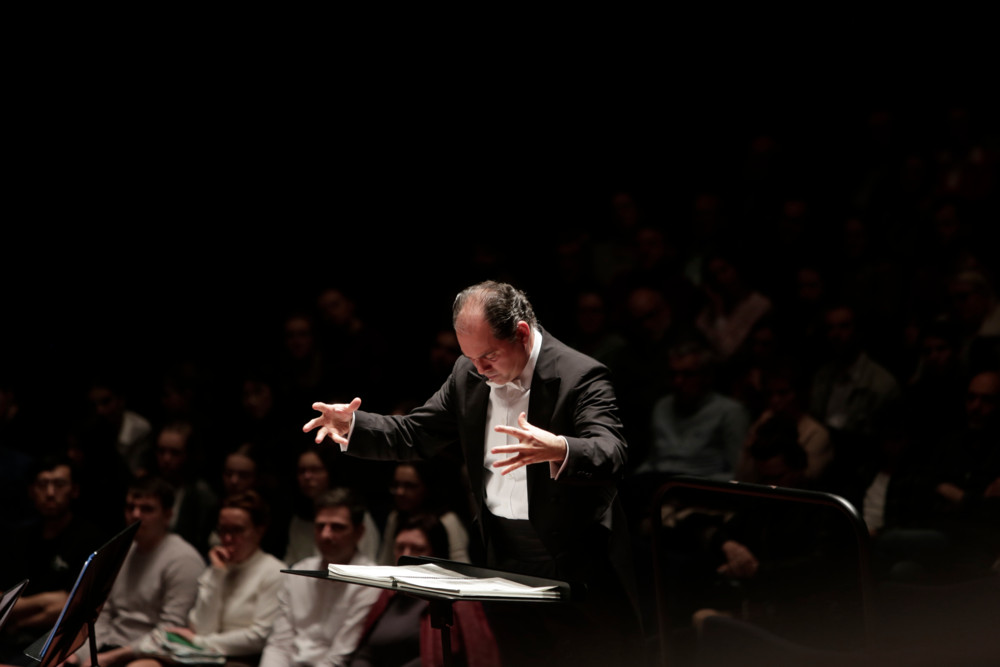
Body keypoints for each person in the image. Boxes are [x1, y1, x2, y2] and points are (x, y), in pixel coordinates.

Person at [304, 280, 638, 667]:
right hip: (504, 557)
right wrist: (354, 426)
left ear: (522, 334)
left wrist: (561, 448)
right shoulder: (469, 374)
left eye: (489, 356)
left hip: (575, 557)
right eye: (471, 357)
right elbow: (418, 433)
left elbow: (613, 452)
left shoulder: (581, 375)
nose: (479, 369)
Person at [75, 476, 204, 667]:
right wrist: (83, 655)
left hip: (150, 654)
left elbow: (170, 631)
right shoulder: (122, 551)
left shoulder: (184, 559)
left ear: (168, 515)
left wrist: (113, 657)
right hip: (107, 646)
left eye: (147, 509)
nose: (135, 514)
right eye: (130, 507)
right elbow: (101, 613)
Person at [152, 491, 285, 666]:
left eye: (237, 530)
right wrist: (218, 575)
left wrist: (201, 642)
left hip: (242, 659)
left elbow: (259, 637)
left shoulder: (274, 571)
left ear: (259, 531)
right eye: (223, 530)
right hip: (202, 655)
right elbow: (203, 628)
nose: (227, 539)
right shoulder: (217, 568)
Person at [349, 514, 499, 667]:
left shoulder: (457, 601)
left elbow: (474, 657)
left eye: (417, 549)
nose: (405, 555)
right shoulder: (387, 595)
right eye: (400, 547)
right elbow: (366, 650)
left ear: (436, 554)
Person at [258, 488, 381, 667]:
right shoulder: (299, 572)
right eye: (320, 526)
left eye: (337, 527)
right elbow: (279, 644)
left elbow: (340, 657)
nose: (325, 535)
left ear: (359, 532)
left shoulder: (370, 580)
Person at [1, 454, 102, 648]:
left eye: (59, 484)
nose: (49, 492)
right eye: (42, 484)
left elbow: (70, 604)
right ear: (31, 491)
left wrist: (19, 612)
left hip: (59, 640)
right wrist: (39, 602)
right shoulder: (18, 536)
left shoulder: (89, 538)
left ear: (75, 490)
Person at [375, 462, 470, 565]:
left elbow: (461, 566)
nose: (400, 492)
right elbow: (385, 562)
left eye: (410, 486)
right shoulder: (395, 517)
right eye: (396, 485)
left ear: (426, 486)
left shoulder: (447, 520)